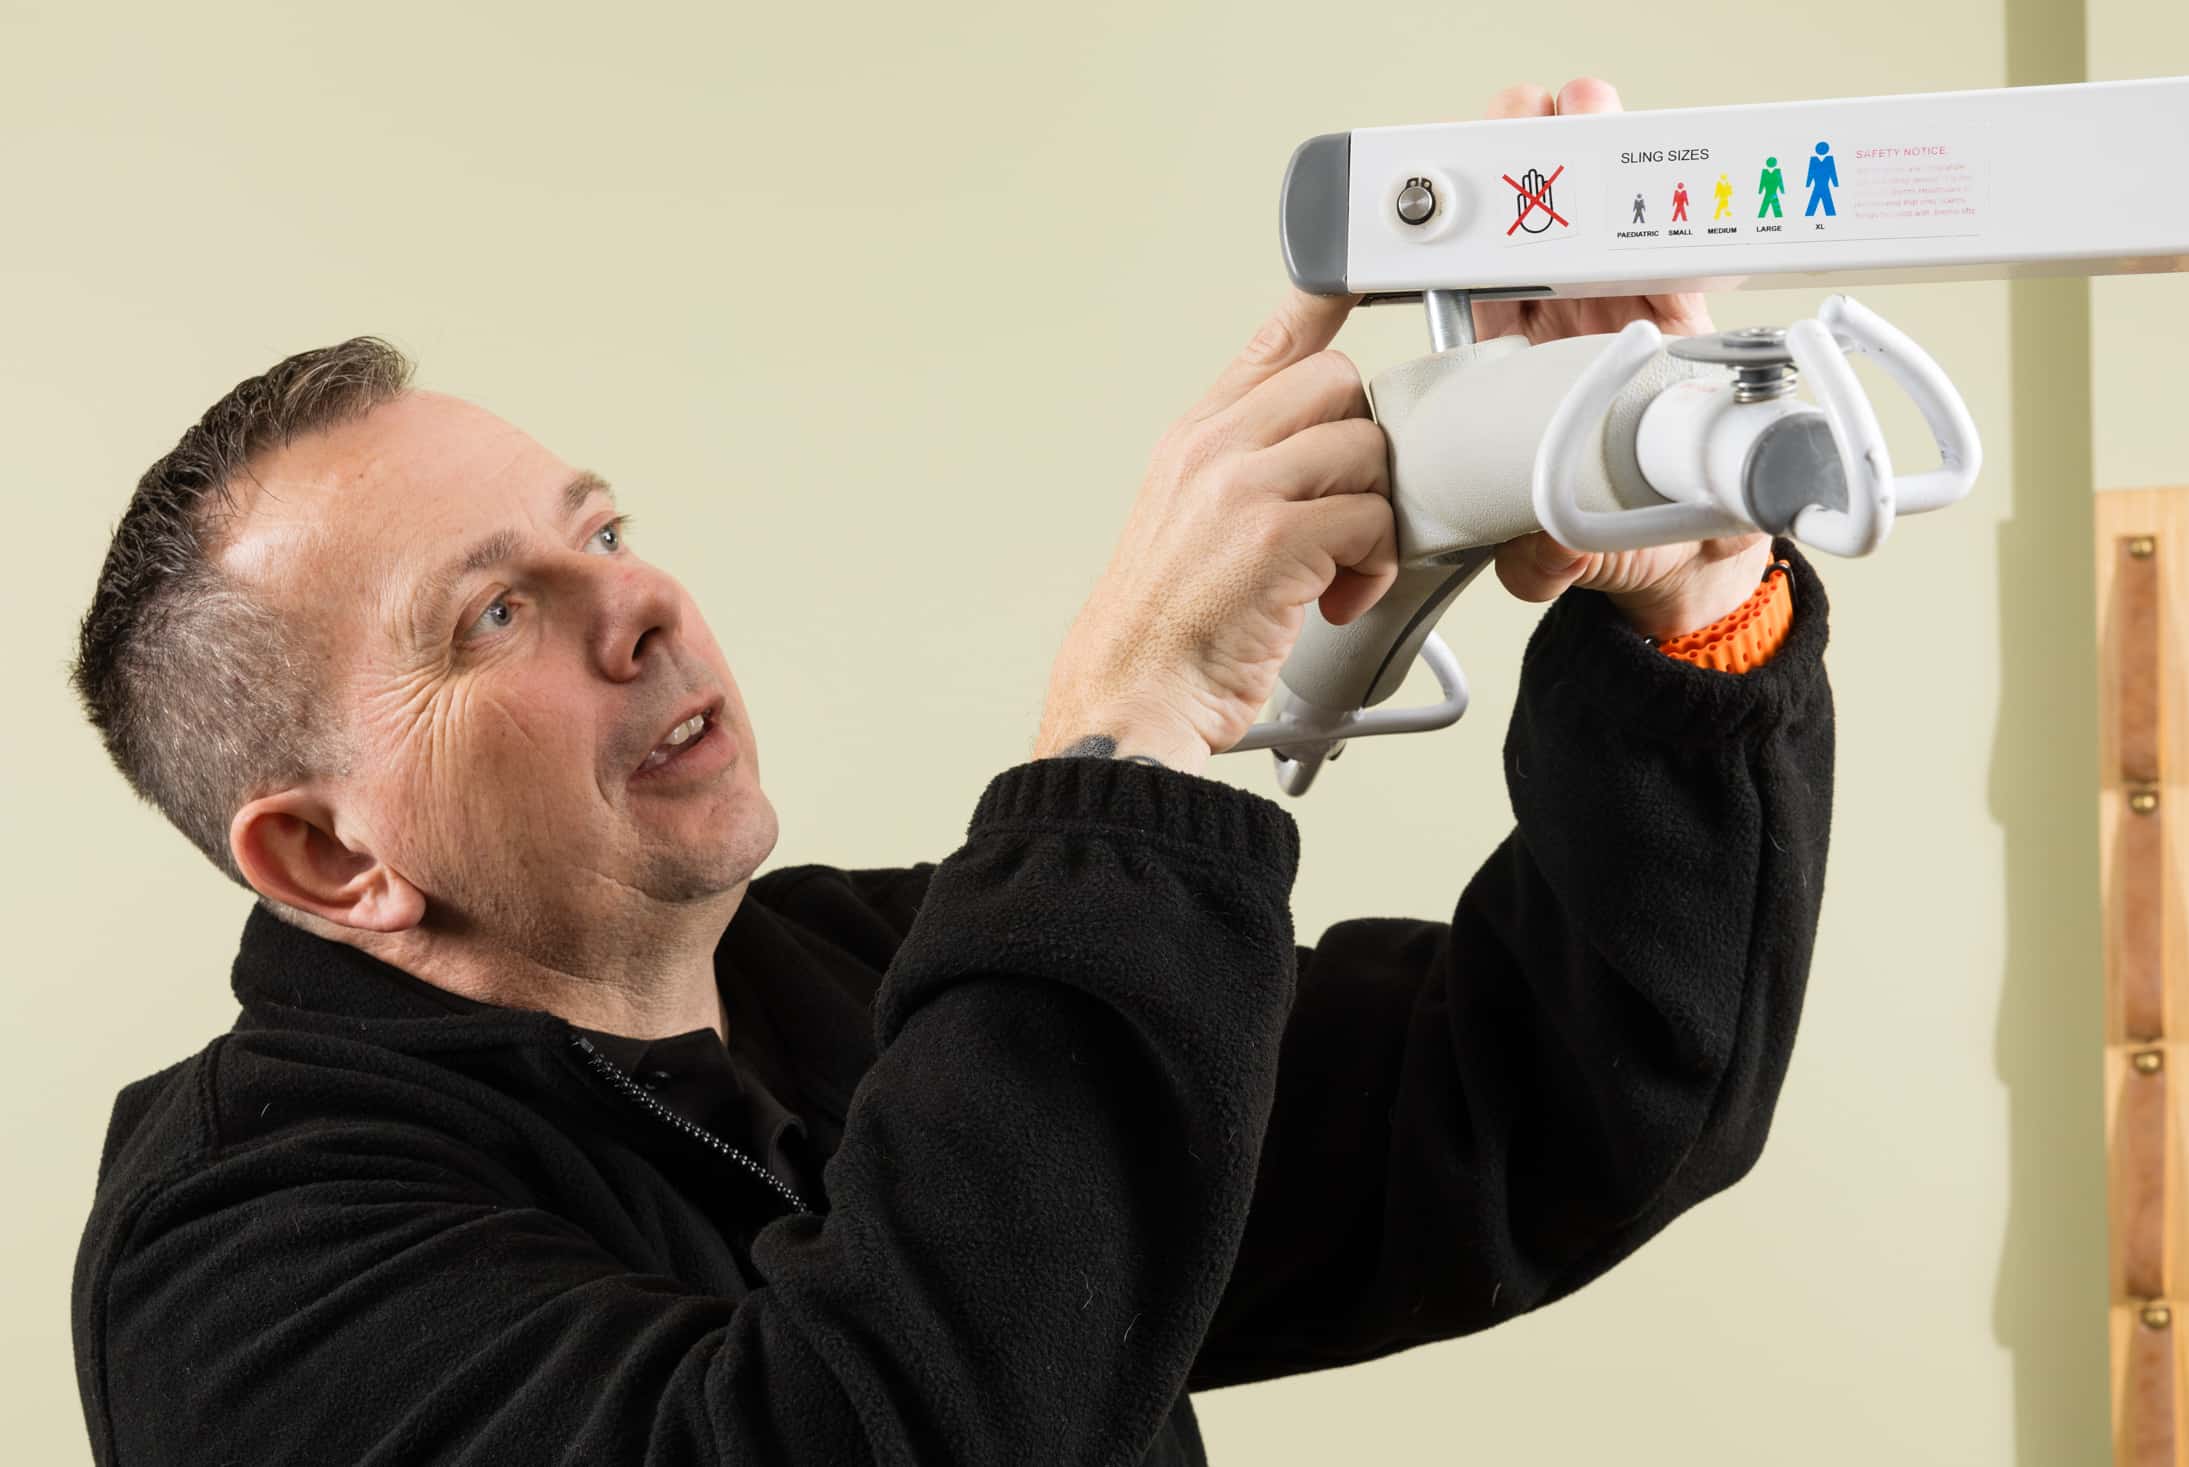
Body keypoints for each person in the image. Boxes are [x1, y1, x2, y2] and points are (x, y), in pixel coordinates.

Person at [67, 76, 1831, 1466]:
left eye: (600, 528)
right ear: (328, 859)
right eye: (497, 612)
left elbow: (1562, 1102)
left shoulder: (871, 981)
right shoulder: (243, 1265)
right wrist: (1123, 741)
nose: (641, 602)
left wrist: (1692, 601)